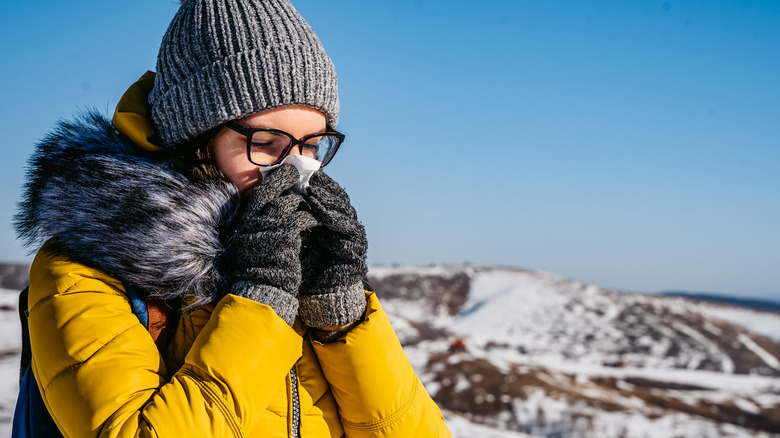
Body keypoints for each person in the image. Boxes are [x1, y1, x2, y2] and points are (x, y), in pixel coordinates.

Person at [14, 0, 451, 436]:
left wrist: (342, 319)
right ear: (196, 140)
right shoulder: (85, 270)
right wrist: (261, 302)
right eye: (266, 141)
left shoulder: (300, 261)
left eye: (313, 145)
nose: (297, 169)